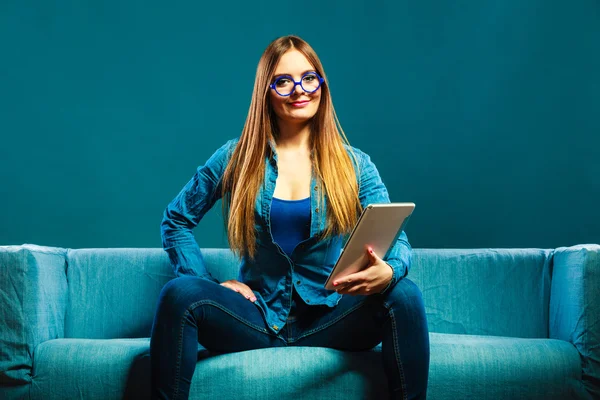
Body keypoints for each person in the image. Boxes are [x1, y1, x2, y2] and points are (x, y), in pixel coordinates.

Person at [150, 35, 430, 400]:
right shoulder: (236, 158)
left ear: (322, 84)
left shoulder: (355, 164)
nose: (300, 90)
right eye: (284, 81)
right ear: (266, 91)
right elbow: (176, 221)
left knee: (404, 295)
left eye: (309, 78)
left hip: (331, 317)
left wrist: (388, 271)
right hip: (255, 318)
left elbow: (398, 238)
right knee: (179, 294)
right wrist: (207, 281)